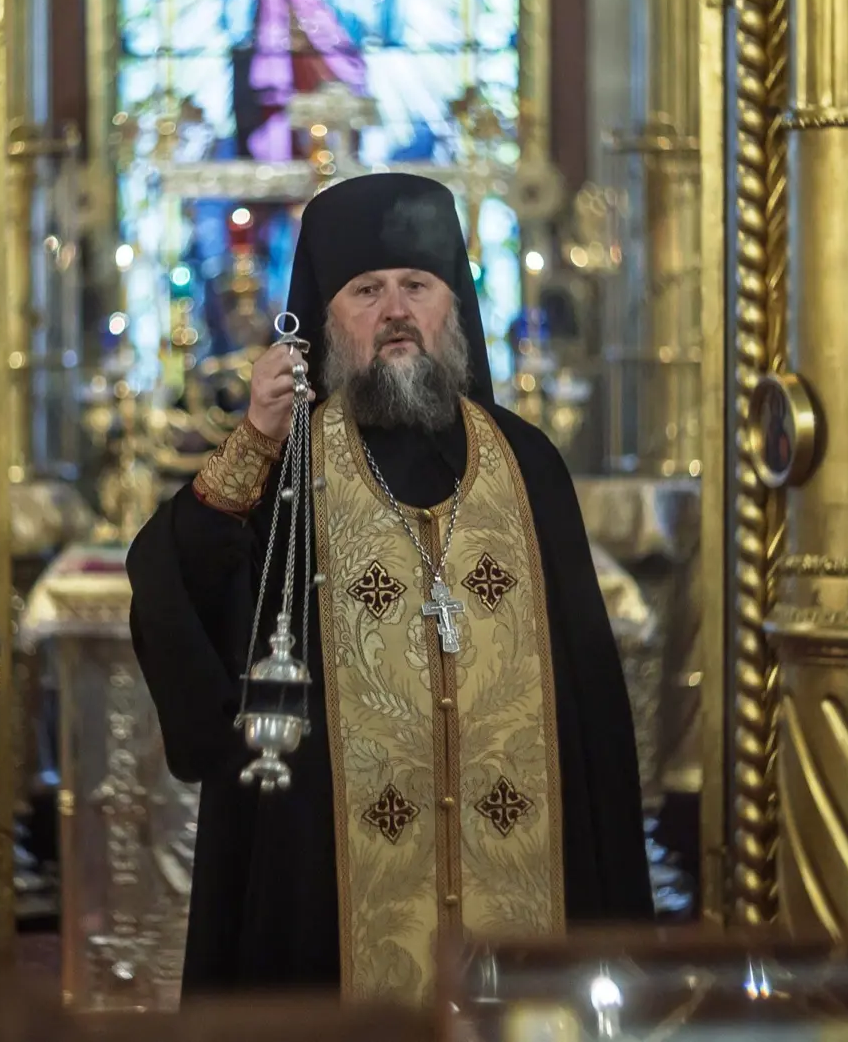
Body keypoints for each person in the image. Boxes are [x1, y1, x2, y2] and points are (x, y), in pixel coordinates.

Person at [128, 173, 654, 1005]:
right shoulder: (288, 465)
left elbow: (591, 711)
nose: (396, 311)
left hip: (526, 883)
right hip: (325, 884)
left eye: (417, 285)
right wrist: (256, 436)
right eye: (367, 291)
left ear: (454, 306)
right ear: (326, 319)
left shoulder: (529, 466)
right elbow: (175, 584)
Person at [243, 0, 403, 161]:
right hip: (295, 85)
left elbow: (381, 32)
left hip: (345, 87)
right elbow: (244, 34)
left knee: (344, 155)